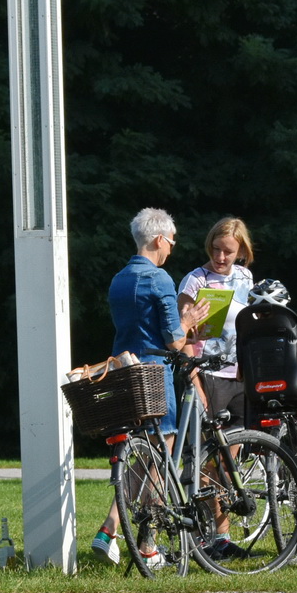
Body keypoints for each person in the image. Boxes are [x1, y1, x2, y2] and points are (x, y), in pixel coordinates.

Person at [89, 208, 199, 567]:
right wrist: (189, 321)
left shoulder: (119, 278)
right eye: (171, 240)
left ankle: (111, 530)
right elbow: (174, 341)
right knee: (161, 455)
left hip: (123, 370)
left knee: (140, 453)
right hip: (154, 371)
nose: (172, 247)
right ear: (157, 239)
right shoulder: (160, 279)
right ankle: (145, 543)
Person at [177, 217, 256, 425]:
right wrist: (194, 383)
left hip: (240, 374)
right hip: (208, 375)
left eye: (228, 252)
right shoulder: (196, 280)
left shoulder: (245, 277)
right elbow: (181, 337)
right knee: (208, 447)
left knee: (238, 441)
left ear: (241, 252)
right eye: (215, 249)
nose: (220, 257)